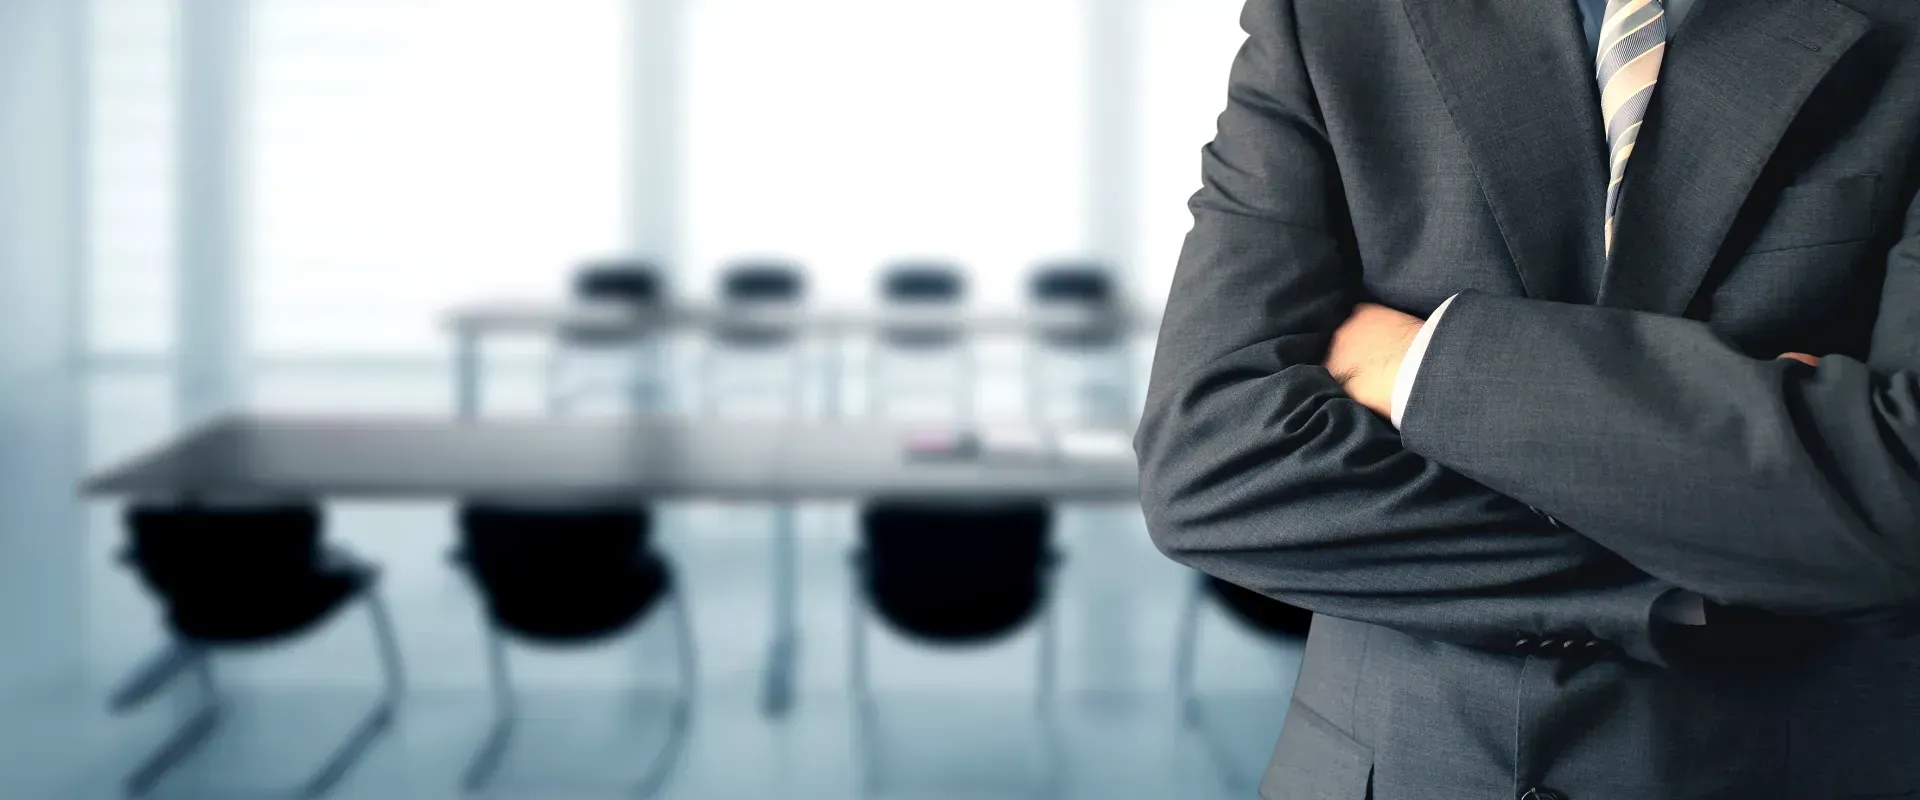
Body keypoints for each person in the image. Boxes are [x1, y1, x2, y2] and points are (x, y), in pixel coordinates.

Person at [1135, 0, 1920, 797]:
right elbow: (1206, 462)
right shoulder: (1331, 16)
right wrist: (1715, 559)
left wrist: (1420, 361)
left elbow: (1901, 504)